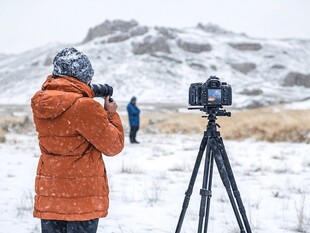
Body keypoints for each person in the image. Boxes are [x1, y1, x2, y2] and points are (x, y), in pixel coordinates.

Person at [31, 47, 124, 233]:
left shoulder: (41, 102)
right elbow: (114, 146)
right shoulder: (84, 107)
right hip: (81, 200)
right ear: (82, 76)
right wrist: (110, 114)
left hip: (51, 196)